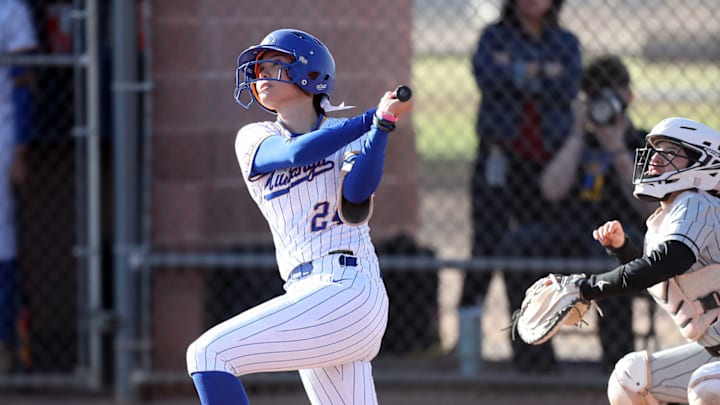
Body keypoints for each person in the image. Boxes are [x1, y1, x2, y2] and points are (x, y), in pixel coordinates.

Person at [185, 28, 413, 405]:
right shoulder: (254, 137)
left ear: (309, 73)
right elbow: (294, 154)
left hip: (349, 288)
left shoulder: (347, 133)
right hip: (307, 295)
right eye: (257, 69)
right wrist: (372, 117)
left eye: (272, 65)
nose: (259, 77)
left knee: (209, 354)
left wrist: (381, 129)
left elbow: (356, 194)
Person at [565, 117, 720, 404]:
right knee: (630, 379)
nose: (656, 159)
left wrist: (586, 288)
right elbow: (659, 279)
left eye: (670, 153)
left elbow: (667, 261)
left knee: (707, 386)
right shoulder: (666, 219)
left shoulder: (698, 203)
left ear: (701, 164)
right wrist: (624, 250)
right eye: (656, 150)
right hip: (714, 352)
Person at [463, 0, 582, 372]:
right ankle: (468, 352)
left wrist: (514, 71)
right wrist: (542, 73)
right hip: (500, 158)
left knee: (534, 246)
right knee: (486, 243)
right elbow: (487, 77)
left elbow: (568, 84)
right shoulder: (493, 36)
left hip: (544, 164)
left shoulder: (565, 42)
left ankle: (535, 351)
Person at [538, 55, 655, 372]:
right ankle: (535, 363)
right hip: (573, 229)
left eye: (610, 97)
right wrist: (577, 134)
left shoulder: (642, 142)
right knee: (520, 244)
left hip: (621, 236)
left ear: (628, 97)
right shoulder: (575, 140)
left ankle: (618, 365)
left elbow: (651, 206)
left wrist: (617, 148)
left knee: (614, 258)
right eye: (594, 99)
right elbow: (551, 190)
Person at [0, 0, 37, 373]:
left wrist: (21, 149)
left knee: (2, 243)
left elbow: (25, 80)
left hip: (1, 135)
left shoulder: (10, 8)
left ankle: (4, 347)